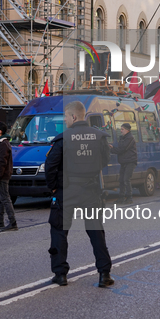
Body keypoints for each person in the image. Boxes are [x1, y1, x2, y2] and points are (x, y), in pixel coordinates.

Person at [45, 101, 113, 288]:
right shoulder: (99, 137)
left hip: (66, 191)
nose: (65, 120)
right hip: (91, 190)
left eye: (66, 117)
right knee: (96, 231)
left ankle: (60, 274)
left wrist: (53, 187)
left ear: (74, 117)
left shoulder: (62, 139)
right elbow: (105, 160)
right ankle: (104, 273)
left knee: (59, 231)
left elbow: (50, 165)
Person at [110, 123, 137, 204]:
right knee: (121, 180)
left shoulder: (130, 138)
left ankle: (129, 197)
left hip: (130, 161)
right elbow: (120, 148)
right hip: (124, 161)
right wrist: (113, 148)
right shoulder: (123, 138)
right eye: (121, 129)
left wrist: (112, 150)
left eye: (122, 129)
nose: (121, 131)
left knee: (126, 179)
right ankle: (121, 197)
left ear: (127, 130)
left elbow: (122, 149)